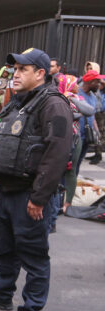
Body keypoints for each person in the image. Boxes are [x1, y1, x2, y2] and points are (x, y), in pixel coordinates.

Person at [0, 48, 73, 311]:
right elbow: (2, 138)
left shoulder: (54, 105)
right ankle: (2, 294)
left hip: (30, 197)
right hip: (6, 192)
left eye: (22, 69)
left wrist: (39, 198)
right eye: (14, 69)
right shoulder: (17, 102)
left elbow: (57, 154)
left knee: (34, 259)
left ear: (40, 74)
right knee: (6, 250)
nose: (15, 74)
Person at [59, 75, 96, 214]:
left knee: (71, 171)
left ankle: (67, 203)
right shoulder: (56, 97)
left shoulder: (76, 97)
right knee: (56, 169)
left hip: (74, 139)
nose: (77, 86)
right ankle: (56, 200)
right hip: (60, 139)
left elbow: (89, 110)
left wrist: (72, 98)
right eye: (75, 83)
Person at [76, 69, 104, 174]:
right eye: (97, 82)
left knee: (78, 164)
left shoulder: (93, 96)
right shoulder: (77, 93)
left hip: (87, 136)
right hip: (77, 136)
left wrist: (96, 132)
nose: (99, 84)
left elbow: (93, 116)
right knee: (71, 165)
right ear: (90, 82)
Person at [88, 79, 105, 165]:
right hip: (96, 112)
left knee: (99, 133)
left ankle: (98, 154)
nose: (99, 85)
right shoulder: (97, 91)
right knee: (94, 132)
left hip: (101, 113)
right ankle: (96, 153)